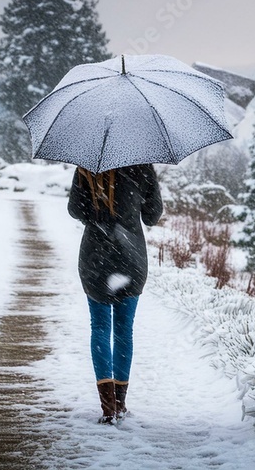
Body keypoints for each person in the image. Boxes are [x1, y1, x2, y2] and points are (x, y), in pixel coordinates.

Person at [67, 164, 163, 424]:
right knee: (123, 329)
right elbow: (153, 216)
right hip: (130, 259)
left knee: (99, 327)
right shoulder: (142, 166)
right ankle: (120, 404)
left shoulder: (87, 165)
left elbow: (76, 210)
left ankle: (107, 408)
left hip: (95, 258)